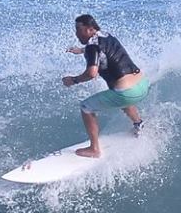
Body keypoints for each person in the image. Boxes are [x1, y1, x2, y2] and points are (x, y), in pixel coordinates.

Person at [62, 14, 148, 157]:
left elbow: (91, 72)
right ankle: (138, 123)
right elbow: (101, 49)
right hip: (142, 85)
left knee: (86, 107)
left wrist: (74, 80)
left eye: (79, 30)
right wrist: (81, 50)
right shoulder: (107, 35)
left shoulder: (92, 47)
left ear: (90, 29)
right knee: (118, 94)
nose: (76, 33)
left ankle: (94, 149)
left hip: (127, 92)